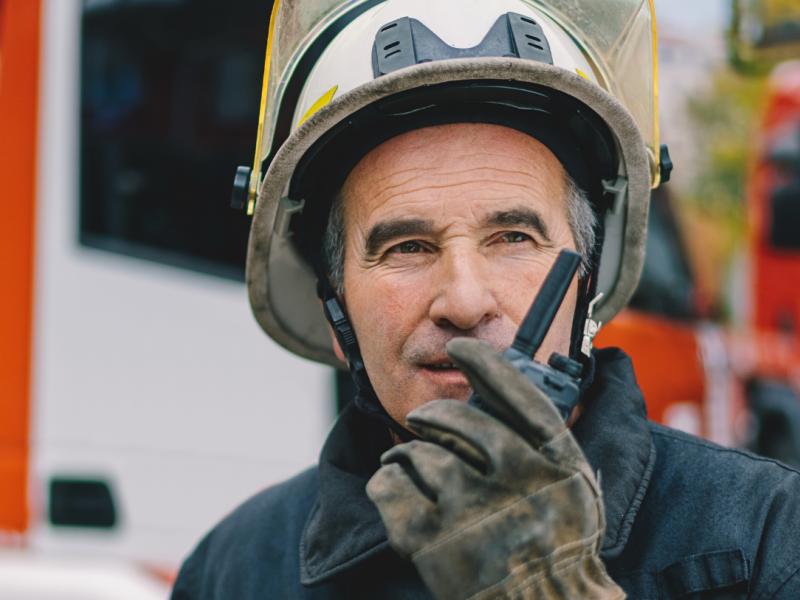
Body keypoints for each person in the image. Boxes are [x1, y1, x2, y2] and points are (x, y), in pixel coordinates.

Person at [172, 1, 800, 598]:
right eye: (407, 248)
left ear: (586, 285)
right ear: (338, 314)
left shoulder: (767, 538)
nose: (466, 302)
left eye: (512, 237)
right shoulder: (234, 570)